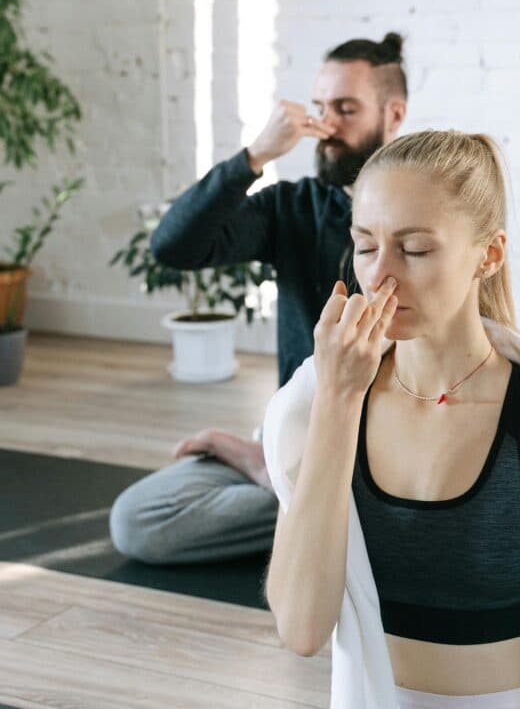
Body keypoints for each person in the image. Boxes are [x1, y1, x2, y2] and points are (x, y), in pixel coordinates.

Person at [263, 130, 520, 709]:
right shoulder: (322, 407)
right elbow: (302, 630)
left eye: (414, 249)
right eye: (364, 246)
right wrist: (337, 400)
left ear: (489, 254)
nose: (381, 274)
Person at [108, 32, 408, 564]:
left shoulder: (422, 216)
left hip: (384, 456)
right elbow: (172, 246)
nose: (327, 125)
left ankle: (293, 488)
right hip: (294, 435)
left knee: (394, 504)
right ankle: (284, 484)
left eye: (346, 109)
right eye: (320, 108)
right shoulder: (294, 208)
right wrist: (253, 156)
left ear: (394, 115)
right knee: (137, 519)